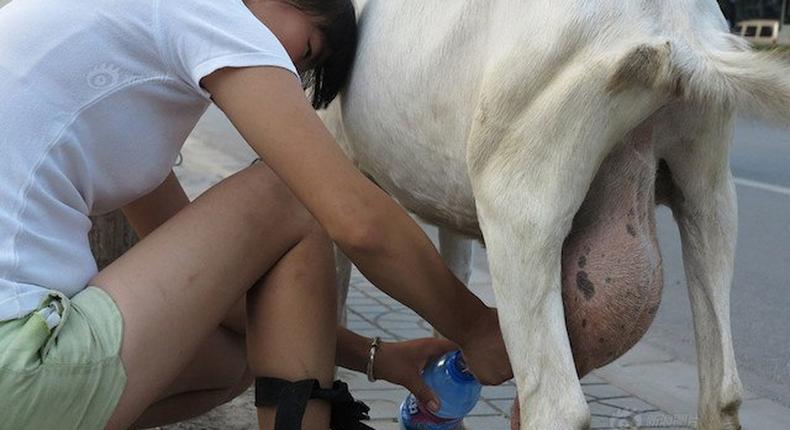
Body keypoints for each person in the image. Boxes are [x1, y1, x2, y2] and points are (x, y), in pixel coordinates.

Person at [0, 0, 513, 429]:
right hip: (19, 357)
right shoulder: (209, 10)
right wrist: (476, 327)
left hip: (16, 367)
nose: (290, 72)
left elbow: (219, 298)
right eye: (306, 50)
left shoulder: (126, 60)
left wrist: (376, 357)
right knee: (293, 193)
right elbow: (357, 220)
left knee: (240, 354)